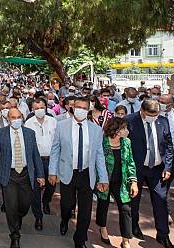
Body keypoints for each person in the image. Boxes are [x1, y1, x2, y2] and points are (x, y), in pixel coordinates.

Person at [49, 97, 108, 248]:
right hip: (68, 172)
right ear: (73, 108)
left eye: (84, 107)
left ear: (88, 109)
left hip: (87, 175)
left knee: (85, 211)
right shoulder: (62, 126)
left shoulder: (95, 129)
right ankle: (64, 219)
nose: (80, 109)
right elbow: (55, 150)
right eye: (78, 107)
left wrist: (103, 178)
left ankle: (79, 239)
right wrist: (52, 172)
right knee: (67, 205)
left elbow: (99, 155)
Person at [0, 108, 45, 248]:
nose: (17, 119)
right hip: (9, 175)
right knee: (11, 206)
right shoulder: (1, 133)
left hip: (26, 174)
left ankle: (18, 217)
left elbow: (35, 155)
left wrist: (41, 175)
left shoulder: (30, 133)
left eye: (19, 117)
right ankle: (15, 235)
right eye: (13, 117)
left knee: (25, 205)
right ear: (8, 118)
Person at [125, 99, 174, 247]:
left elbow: (169, 145)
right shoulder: (130, 120)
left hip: (158, 168)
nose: (153, 117)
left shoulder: (163, 121)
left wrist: (168, 167)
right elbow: (124, 146)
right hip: (136, 168)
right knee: (134, 199)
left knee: (160, 200)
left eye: (156, 114)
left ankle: (163, 234)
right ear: (142, 111)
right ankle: (134, 225)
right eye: (149, 114)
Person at [95, 118, 138, 248]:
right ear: (116, 130)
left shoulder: (126, 142)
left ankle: (126, 239)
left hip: (122, 182)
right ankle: (102, 228)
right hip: (104, 181)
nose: (127, 131)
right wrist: (99, 181)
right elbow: (97, 162)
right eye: (124, 128)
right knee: (103, 205)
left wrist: (134, 181)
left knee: (126, 209)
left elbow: (130, 162)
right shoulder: (102, 142)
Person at [23, 98, 57, 229]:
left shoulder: (53, 122)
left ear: (46, 108)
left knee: (51, 186)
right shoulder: (28, 123)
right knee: (35, 189)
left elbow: (58, 143)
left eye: (41, 107)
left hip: (51, 160)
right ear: (32, 109)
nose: (39, 110)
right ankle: (38, 216)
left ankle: (46, 201)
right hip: (35, 161)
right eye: (36, 108)